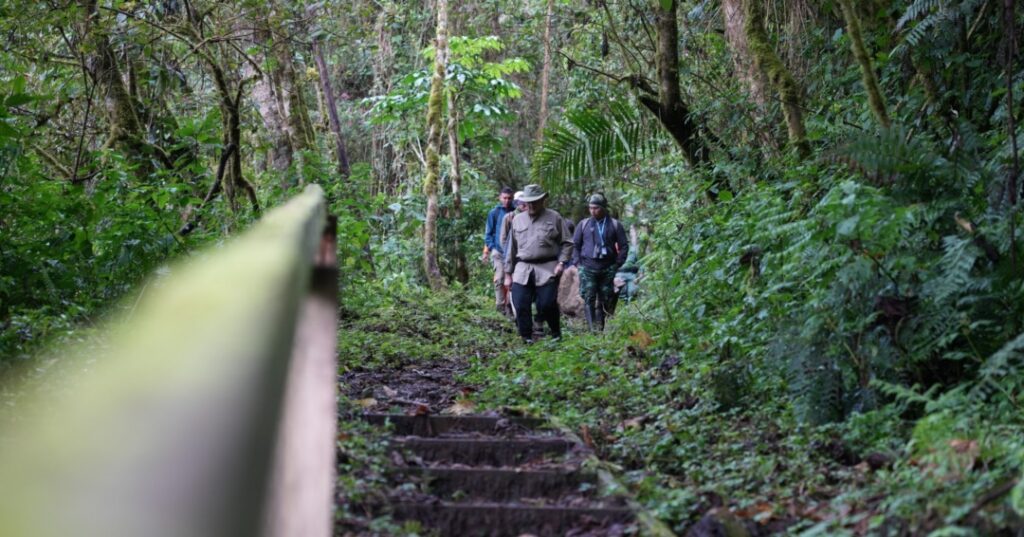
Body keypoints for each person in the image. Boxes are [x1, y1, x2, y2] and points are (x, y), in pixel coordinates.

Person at [504, 184, 573, 343]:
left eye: (535, 201)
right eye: (528, 202)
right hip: (522, 268)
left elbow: (567, 242)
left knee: (547, 304)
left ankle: (555, 332)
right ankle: (526, 337)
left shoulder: (554, 217)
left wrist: (561, 263)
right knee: (520, 303)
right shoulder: (517, 220)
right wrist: (508, 274)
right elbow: (511, 249)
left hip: (547, 267)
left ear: (543, 200)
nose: (531, 205)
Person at [572, 193, 628, 331]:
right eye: (590, 208)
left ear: (603, 208)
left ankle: (601, 328)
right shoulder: (583, 224)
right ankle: (593, 331)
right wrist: (578, 264)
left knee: (605, 298)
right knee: (589, 297)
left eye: (596, 208)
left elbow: (624, 246)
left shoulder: (615, 225)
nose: (593, 211)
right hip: (587, 267)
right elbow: (575, 245)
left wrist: (617, 263)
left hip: (607, 267)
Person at [483, 187, 515, 314]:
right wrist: (491, 248)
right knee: (499, 278)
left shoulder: (516, 212)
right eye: (504, 198)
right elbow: (488, 233)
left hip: (514, 252)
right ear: (500, 198)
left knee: (513, 280)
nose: (507, 201)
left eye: (509, 198)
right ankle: (500, 306)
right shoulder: (494, 212)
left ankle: (510, 306)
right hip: (498, 251)